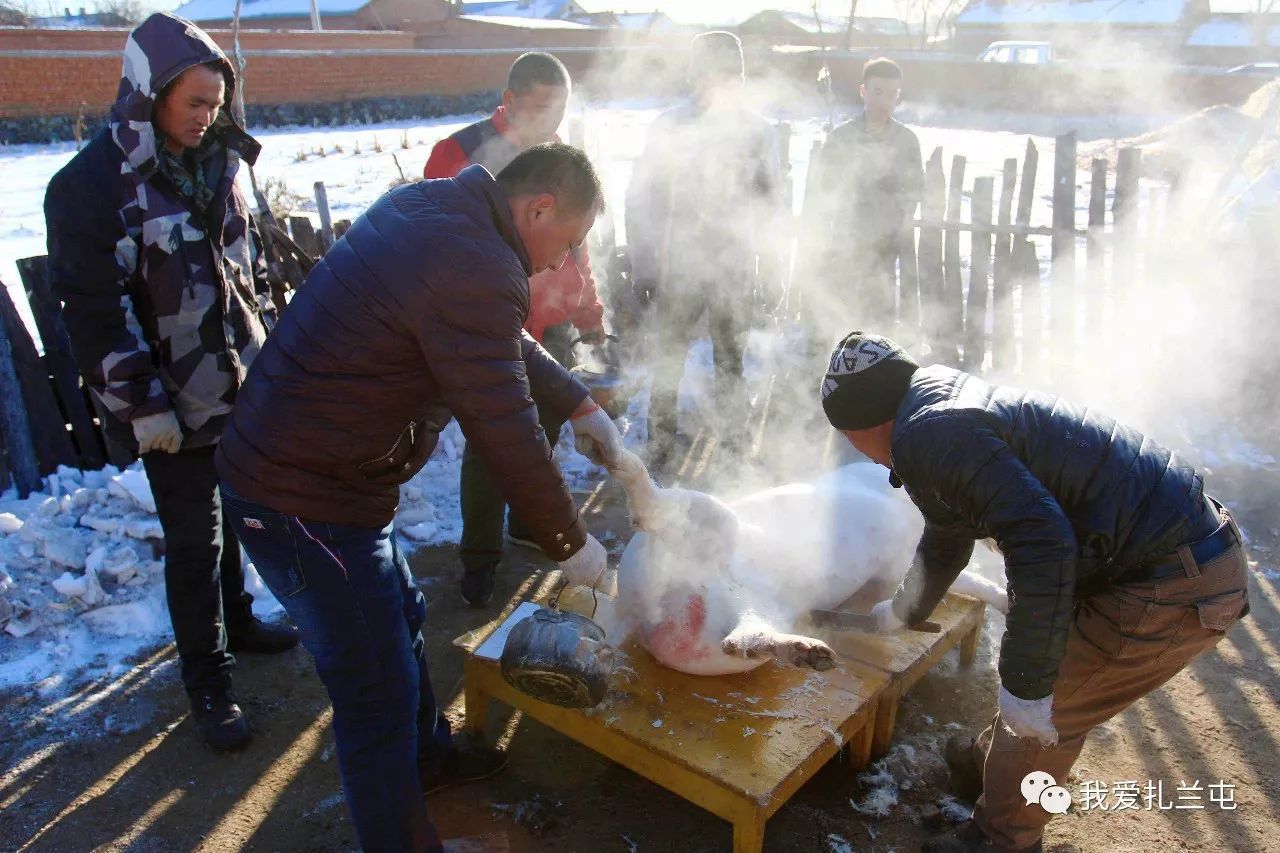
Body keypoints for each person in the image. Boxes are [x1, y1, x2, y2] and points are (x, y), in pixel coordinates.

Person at [215, 143, 624, 853]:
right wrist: (573, 546)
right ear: (538, 209)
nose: (565, 262)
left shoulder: (441, 210)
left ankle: (429, 761)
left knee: (399, 615)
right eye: (569, 243)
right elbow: (505, 428)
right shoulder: (477, 261)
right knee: (375, 695)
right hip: (302, 497)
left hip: (328, 481)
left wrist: (579, 402)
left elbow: (504, 347)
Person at [818, 331, 1251, 853]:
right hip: (1158, 552)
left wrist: (1026, 687)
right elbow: (948, 532)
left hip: (1170, 579)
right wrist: (905, 610)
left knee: (1052, 707)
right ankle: (988, 765)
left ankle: (1001, 838)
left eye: (845, 433)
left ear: (866, 420)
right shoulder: (931, 406)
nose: (850, 446)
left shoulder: (929, 435)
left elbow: (1043, 543)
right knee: (1045, 683)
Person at [43, 11, 298, 753]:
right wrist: (144, 406)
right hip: (167, 402)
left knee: (231, 519)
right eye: (193, 104)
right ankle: (207, 680)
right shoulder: (92, 185)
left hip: (235, 386)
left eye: (216, 105)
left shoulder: (221, 159)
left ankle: (239, 619)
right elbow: (94, 311)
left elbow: (247, 275)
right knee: (192, 540)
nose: (206, 118)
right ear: (147, 93)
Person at [424, 51, 607, 607]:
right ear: (511, 98)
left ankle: (529, 522)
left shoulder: (562, 159)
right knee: (492, 440)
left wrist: (589, 313)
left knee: (545, 423)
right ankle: (480, 558)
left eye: (563, 109)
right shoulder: (460, 152)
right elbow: (434, 240)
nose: (554, 120)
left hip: (547, 324)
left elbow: (578, 243)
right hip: (483, 329)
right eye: (543, 107)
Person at [625, 30, 786, 470]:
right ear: (694, 74)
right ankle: (659, 441)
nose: (719, 82)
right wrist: (644, 265)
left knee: (732, 361)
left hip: (734, 267)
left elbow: (772, 208)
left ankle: (734, 444)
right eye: (710, 72)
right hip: (679, 265)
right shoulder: (669, 127)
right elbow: (643, 198)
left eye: (729, 73)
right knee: (669, 358)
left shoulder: (756, 132)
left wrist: (773, 271)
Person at [802, 59, 923, 351]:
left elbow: (916, 191)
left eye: (892, 93)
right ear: (863, 91)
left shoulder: (906, 142)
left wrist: (890, 219)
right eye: (878, 91)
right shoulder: (840, 138)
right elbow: (822, 193)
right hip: (843, 246)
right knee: (836, 321)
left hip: (884, 249)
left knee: (876, 328)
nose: (884, 100)